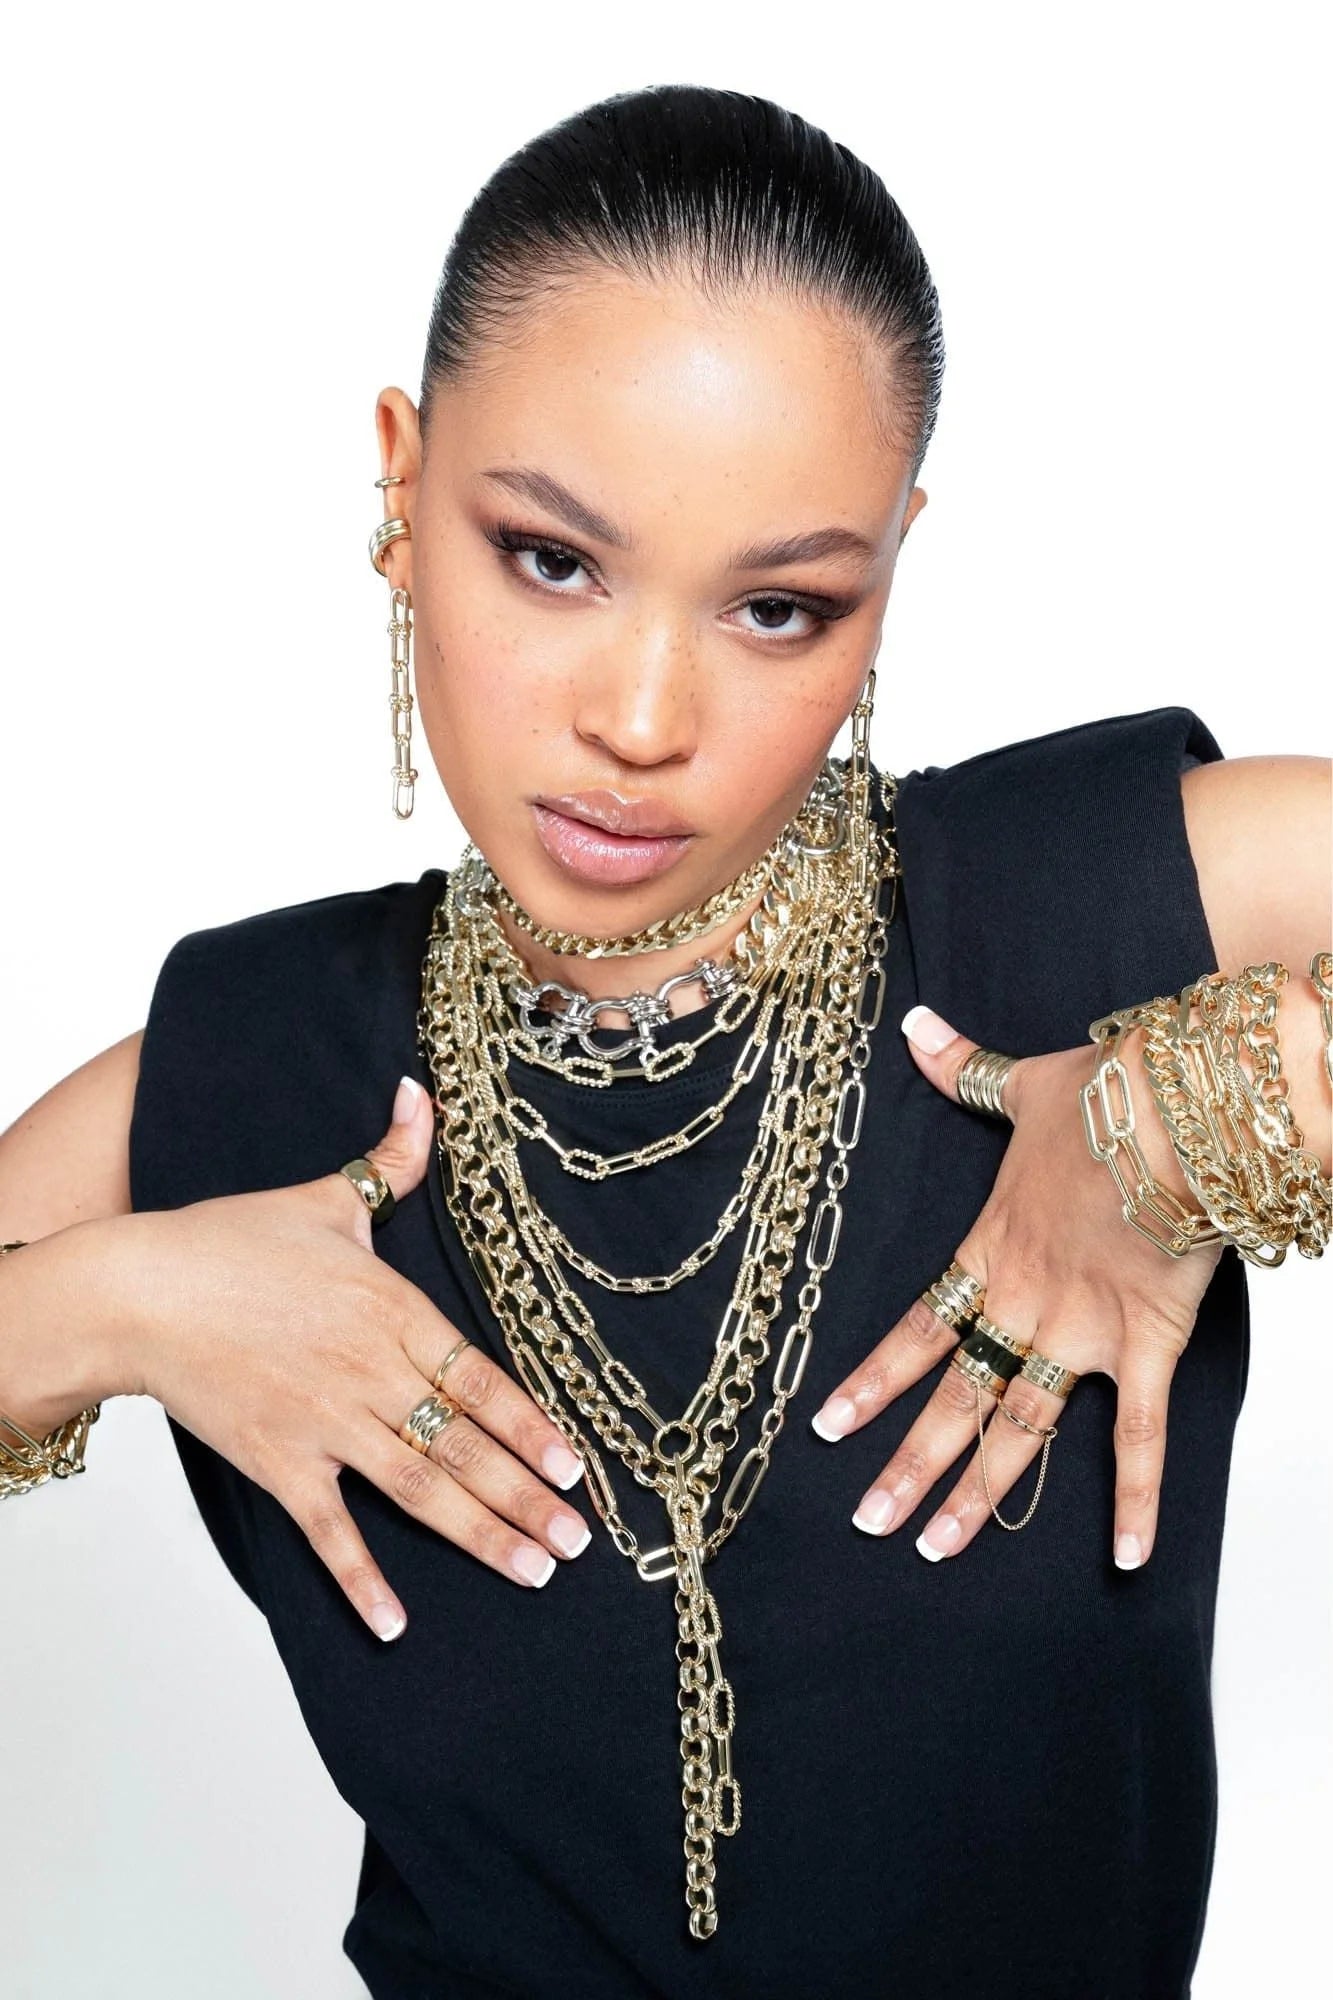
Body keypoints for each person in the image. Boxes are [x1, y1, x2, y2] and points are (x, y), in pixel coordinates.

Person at [2, 81, 1328, 2000]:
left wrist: (1195, 1113)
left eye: (779, 606)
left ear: (889, 571)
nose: (641, 719)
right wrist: (113, 1308)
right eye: (551, 558)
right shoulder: (256, 1065)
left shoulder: (1073, 909)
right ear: (402, 485)